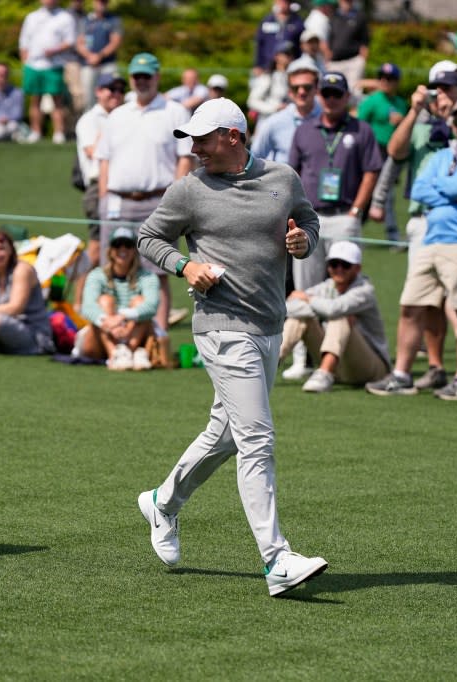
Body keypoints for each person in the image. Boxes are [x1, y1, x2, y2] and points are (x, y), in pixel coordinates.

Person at [135, 97, 326, 598]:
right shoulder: (189, 189)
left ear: (233, 137)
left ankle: (162, 502)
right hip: (220, 328)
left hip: (269, 326)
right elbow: (149, 237)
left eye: (203, 139)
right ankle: (276, 559)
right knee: (257, 440)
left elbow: (309, 222)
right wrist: (184, 266)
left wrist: (303, 241)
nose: (195, 149)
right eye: (192, 140)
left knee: (225, 434)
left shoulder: (282, 179)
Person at [366, 98, 457, 400]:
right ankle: (401, 374)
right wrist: (451, 187)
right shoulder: (441, 156)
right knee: (411, 306)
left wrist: (446, 188)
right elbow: (419, 189)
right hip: (431, 239)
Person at [370, 64, 457, 392]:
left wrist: (454, 117)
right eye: (437, 89)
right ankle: (427, 368)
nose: (442, 96)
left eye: (449, 89)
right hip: (422, 220)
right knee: (420, 300)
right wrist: (414, 112)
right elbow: (395, 151)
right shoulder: (421, 125)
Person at [286, 71, 382, 380]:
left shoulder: (361, 130)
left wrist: (357, 209)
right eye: (325, 94)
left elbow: (371, 171)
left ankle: (335, 353)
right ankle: (303, 358)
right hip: (310, 215)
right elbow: (293, 172)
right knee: (305, 284)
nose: (330, 99)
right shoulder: (304, 130)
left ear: (346, 97)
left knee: (343, 281)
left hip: (343, 214)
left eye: (336, 94)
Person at [95, 51, 193, 341]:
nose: (142, 81)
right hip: (117, 200)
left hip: (158, 200)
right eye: (137, 76)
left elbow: (185, 158)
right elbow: (104, 159)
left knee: (158, 269)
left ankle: (157, 337)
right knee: (112, 268)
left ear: (157, 77)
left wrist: (174, 200)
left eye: (147, 76)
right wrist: (103, 198)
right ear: (130, 79)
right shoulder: (118, 114)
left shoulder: (175, 112)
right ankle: (113, 337)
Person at [280, 240, 390, 393]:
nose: (339, 269)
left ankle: (324, 374)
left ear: (357, 268)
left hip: (372, 369)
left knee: (340, 318)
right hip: (340, 368)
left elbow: (334, 309)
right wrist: (319, 307)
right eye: (334, 264)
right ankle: (267, 364)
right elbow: (289, 307)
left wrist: (309, 300)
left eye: (345, 265)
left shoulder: (365, 291)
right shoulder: (327, 286)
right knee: (299, 318)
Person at [74, 226, 158, 370]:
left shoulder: (148, 276)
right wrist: (110, 324)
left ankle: (128, 351)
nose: (122, 250)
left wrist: (121, 317)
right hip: (104, 333)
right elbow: (87, 307)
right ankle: (114, 353)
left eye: (128, 245)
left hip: (132, 331)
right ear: (110, 250)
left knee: (139, 302)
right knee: (105, 300)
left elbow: (151, 306)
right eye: (117, 245)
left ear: (134, 250)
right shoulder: (97, 275)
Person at [75, 72, 125, 270]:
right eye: (111, 89)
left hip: (121, 186)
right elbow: (93, 152)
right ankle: (78, 299)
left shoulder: (124, 116)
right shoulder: (89, 119)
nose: (117, 94)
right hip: (99, 187)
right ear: (98, 92)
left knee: (121, 247)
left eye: (121, 90)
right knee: (97, 247)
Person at [357, 62, 407, 244]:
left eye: (390, 79)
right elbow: (359, 127)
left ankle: (391, 235)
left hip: (393, 154)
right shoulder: (371, 101)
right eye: (382, 78)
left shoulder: (401, 103)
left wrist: (402, 122)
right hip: (373, 151)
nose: (385, 81)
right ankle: (356, 227)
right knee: (369, 190)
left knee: (387, 193)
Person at [18, 0, 77, 144]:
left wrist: (55, 50)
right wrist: (25, 62)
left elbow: (70, 41)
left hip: (54, 65)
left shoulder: (65, 17)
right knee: (35, 100)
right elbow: (24, 41)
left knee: (57, 100)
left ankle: (58, 133)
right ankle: (36, 131)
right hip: (33, 65)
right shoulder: (31, 17)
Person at [250, 57, 321, 165]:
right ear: (289, 92)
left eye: (307, 87)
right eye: (295, 88)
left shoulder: (328, 120)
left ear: (317, 88)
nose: (301, 92)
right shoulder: (273, 123)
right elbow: (254, 159)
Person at [75, 0, 122, 110]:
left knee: (111, 94)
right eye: (99, 2)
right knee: (88, 97)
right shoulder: (85, 20)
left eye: (104, 2)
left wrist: (99, 56)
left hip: (108, 64)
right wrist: (90, 56)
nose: (101, 4)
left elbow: (115, 41)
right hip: (88, 64)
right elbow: (79, 43)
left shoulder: (114, 20)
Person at [327, 0, 370, 97]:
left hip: (353, 61)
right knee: (334, 92)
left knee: (354, 93)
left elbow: (365, 43)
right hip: (335, 62)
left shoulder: (360, 16)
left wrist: (362, 61)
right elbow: (329, 39)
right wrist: (328, 60)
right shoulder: (333, 16)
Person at [247, 40, 296, 123]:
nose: (289, 57)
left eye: (291, 54)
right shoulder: (268, 77)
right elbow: (252, 101)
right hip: (268, 120)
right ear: (277, 56)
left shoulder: (293, 77)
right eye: (286, 54)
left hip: (287, 121)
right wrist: (274, 108)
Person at [253, 0, 304, 75]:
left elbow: (302, 45)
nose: (283, 4)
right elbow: (260, 44)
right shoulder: (267, 21)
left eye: (285, 2)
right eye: (280, 1)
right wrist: (258, 65)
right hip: (267, 67)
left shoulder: (297, 22)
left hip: (291, 67)